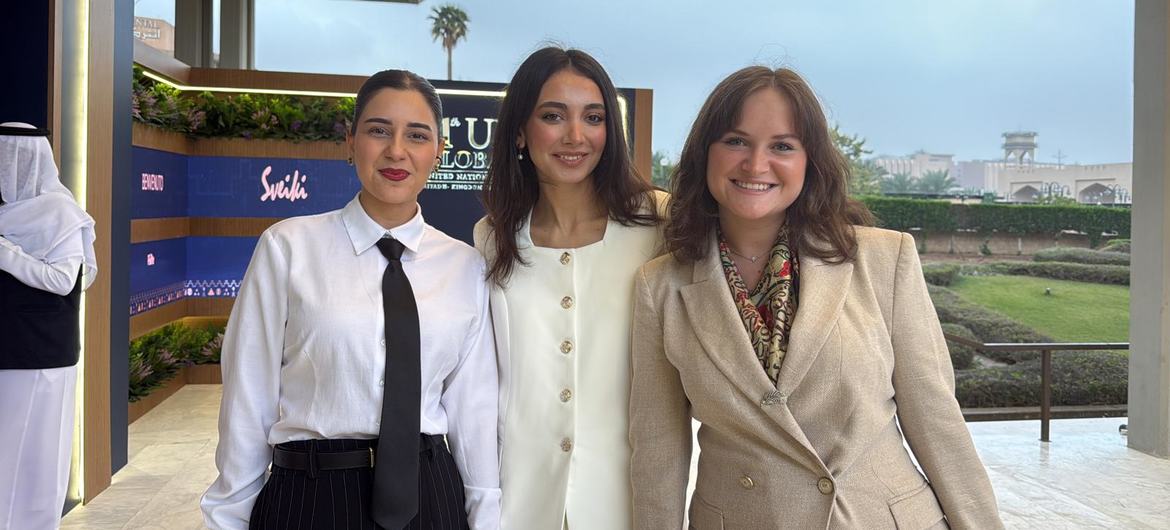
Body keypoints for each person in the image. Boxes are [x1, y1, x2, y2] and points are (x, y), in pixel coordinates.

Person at [629, 66, 1004, 529]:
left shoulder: (884, 260)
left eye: (782, 146)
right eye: (735, 141)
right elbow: (658, 453)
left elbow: (938, 423)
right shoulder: (660, 287)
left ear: (810, 162)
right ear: (705, 152)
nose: (755, 164)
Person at [201, 70, 500, 530]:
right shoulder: (288, 248)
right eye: (379, 130)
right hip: (310, 496)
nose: (396, 150)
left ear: (439, 151)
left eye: (416, 135)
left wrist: (486, 518)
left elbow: (473, 409)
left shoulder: (465, 266)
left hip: (430, 496)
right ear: (350, 139)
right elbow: (248, 396)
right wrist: (227, 517)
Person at [474, 47, 664, 530]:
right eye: (553, 116)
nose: (575, 136)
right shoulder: (490, 237)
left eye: (593, 117)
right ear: (519, 130)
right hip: (520, 503)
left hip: (630, 502)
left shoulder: (659, 224)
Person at [0, 122, 97, 530]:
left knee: (40, 457)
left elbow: (66, 278)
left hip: (45, 353)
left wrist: (6, 254)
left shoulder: (60, 211)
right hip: (9, 347)